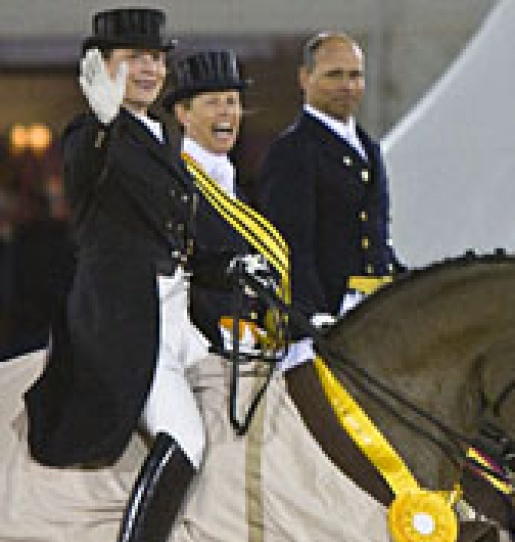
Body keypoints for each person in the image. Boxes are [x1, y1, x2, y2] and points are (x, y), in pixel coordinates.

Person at [23, 9, 246, 541]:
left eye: (155, 58)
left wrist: (238, 260)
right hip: (126, 322)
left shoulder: (163, 138)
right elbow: (83, 176)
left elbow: (184, 224)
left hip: (177, 315)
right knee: (186, 438)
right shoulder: (89, 131)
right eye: (133, 59)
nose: (148, 69)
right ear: (102, 67)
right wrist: (103, 126)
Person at [257, 31, 402, 368]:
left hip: (374, 315)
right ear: (305, 78)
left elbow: (375, 233)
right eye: (334, 75)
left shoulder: (368, 147)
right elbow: (292, 245)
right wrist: (313, 319)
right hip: (327, 327)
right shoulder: (294, 150)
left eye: (355, 75)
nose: (347, 86)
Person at [164, 49, 289, 357]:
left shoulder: (235, 186)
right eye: (212, 102)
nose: (225, 112)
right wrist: (217, 328)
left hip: (250, 346)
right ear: (183, 113)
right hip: (202, 350)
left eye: (231, 102)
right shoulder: (174, 183)